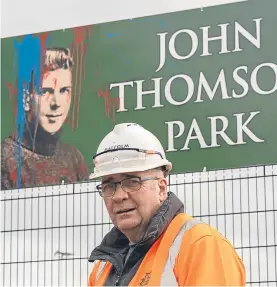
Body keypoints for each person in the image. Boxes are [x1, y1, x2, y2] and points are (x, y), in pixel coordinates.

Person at [87, 123, 246, 286]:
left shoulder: (201, 246)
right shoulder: (103, 268)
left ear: (161, 188)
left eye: (132, 182)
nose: (119, 196)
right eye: (109, 186)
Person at [1, 47, 89, 190]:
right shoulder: (4, 160)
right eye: (45, 91)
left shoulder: (74, 159)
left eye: (64, 90)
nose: (56, 103)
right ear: (26, 98)